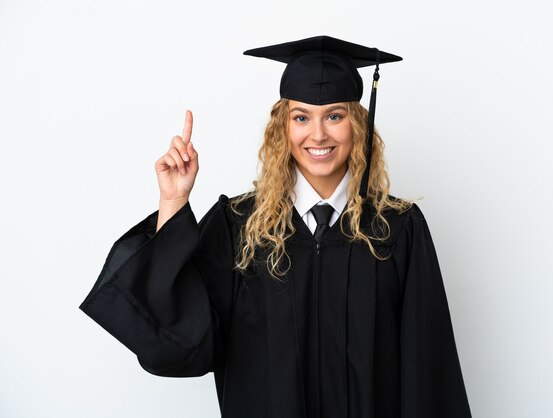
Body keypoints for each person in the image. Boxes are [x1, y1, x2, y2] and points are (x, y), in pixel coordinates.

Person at [79, 36, 472, 417]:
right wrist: (173, 202)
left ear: (356, 124)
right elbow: (183, 340)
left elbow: (428, 372)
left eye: (334, 116)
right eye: (301, 117)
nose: (318, 134)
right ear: (282, 128)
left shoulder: (396, 230)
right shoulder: (238, 227)